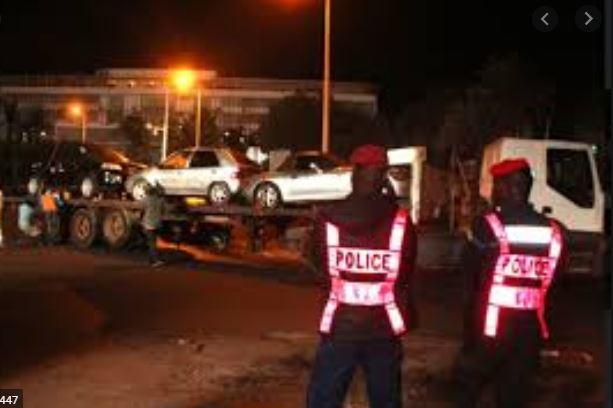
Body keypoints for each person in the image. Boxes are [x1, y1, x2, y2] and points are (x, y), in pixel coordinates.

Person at [306, 144, 418, 408]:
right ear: (384, 177)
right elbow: (406, 272)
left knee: (324, 400)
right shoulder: (401, 221)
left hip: (340, 326)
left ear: (353, 174)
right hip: (383, 328)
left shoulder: (328, 218)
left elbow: (317, 265)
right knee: (386, 399)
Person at [454, 158, 567, 408]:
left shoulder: (487, 226)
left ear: (509, 187)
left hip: (489, 331)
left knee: (467, 388)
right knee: (514, 394)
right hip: (529, 333)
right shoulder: (555, 231)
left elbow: (468, 281)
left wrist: (468, 333)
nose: (493, 191)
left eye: (497, 185)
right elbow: (555, 286)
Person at [141, 182, 165, 267]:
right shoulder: (160, 200)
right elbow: (163, 211)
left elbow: (141, 208)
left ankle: (154, 261)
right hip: (157, 224)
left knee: (151, 243)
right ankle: (152, 260)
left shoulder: (146, 199)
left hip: (148, 224)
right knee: (153, 242)